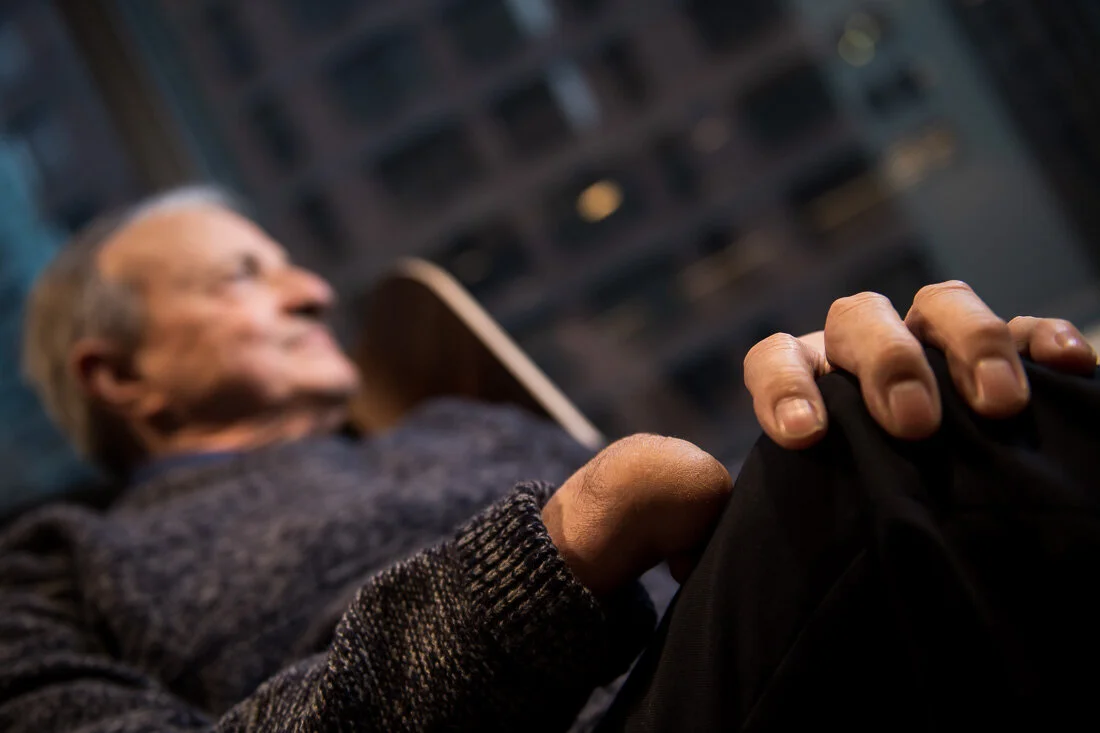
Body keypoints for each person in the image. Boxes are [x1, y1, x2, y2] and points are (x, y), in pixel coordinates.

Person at [1, 185, 1095, 733]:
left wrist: (819, 429)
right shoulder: (52, 566)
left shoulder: (454, 423)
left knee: (923, 408)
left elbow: (717, 569)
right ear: (121, 378)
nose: (312, 290)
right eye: (244, 275)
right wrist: (559, 554)